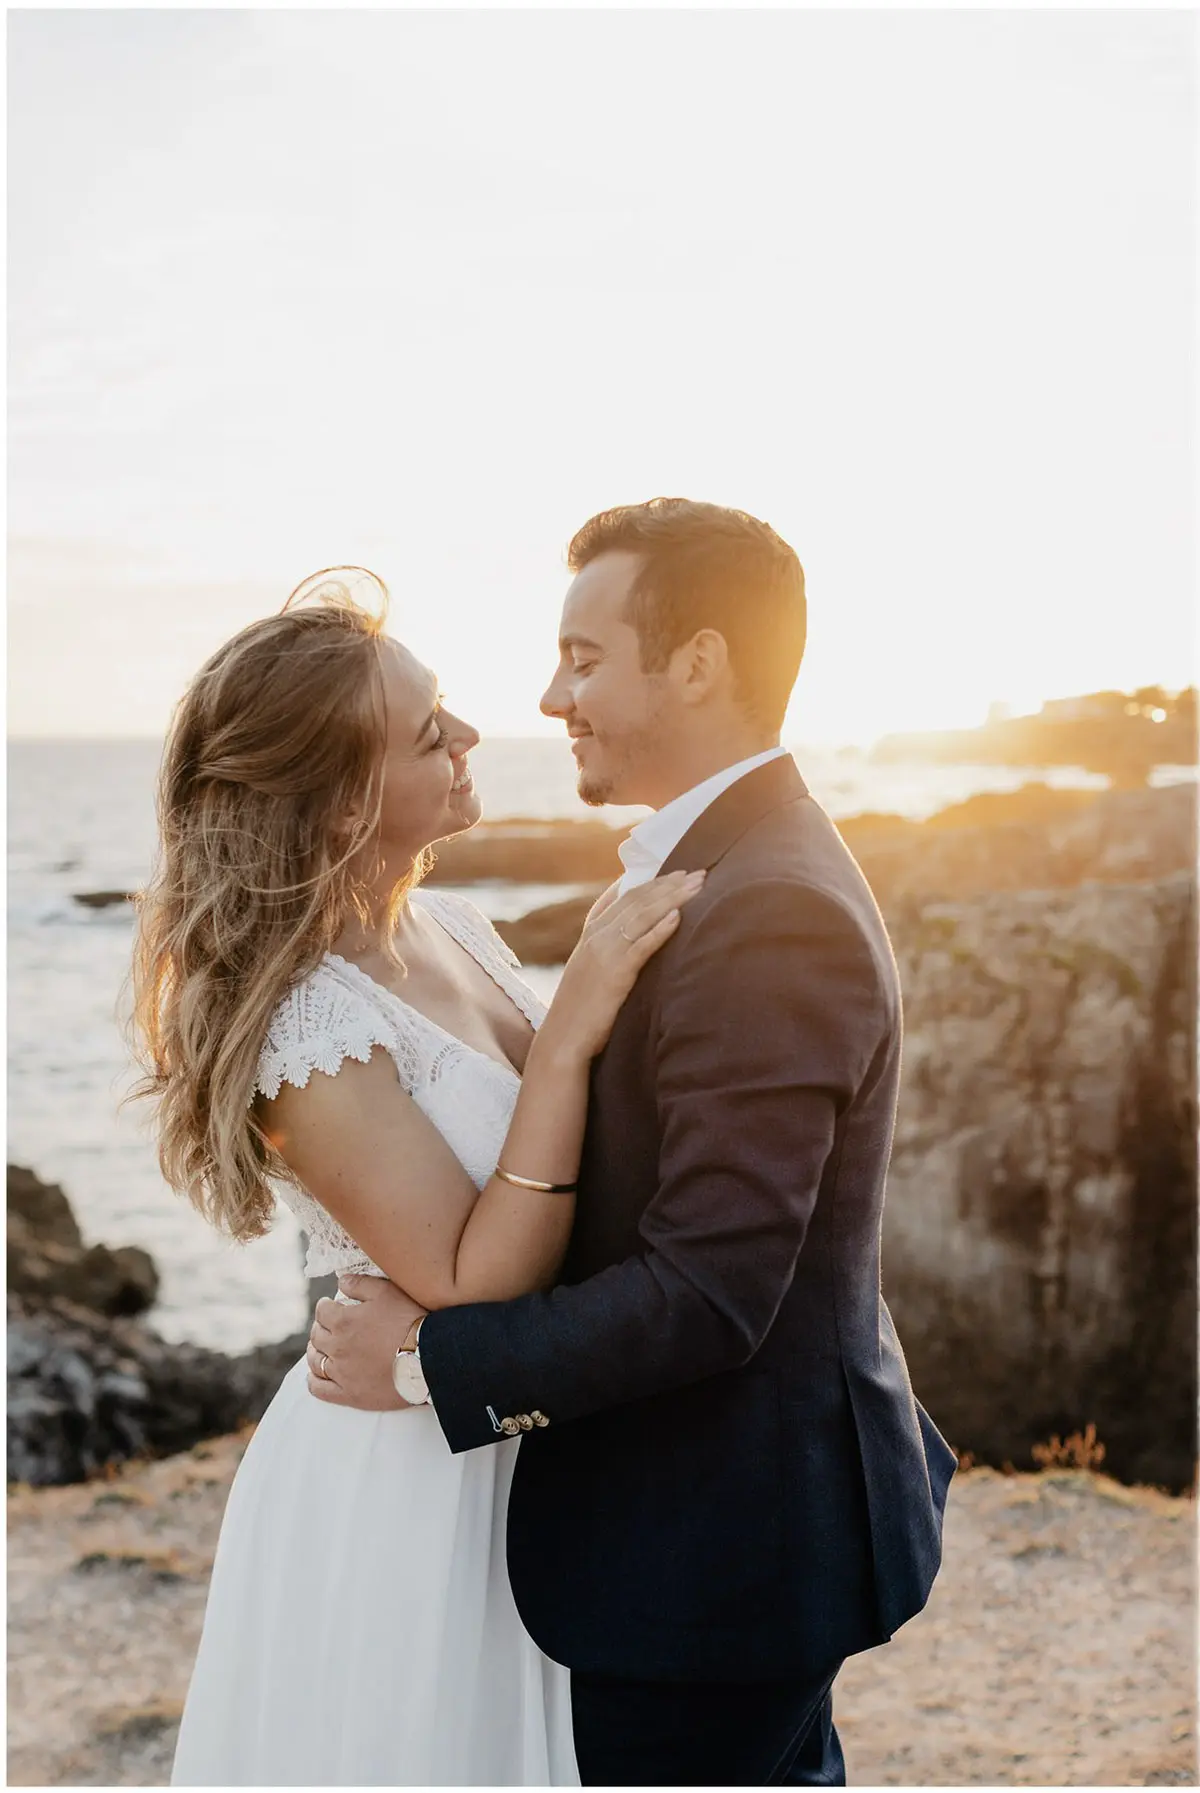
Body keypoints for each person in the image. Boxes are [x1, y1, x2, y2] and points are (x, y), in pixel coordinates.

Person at [309, 499, 958, 1788]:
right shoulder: (710, 868)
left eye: (586, 657)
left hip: (716, 1551)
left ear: (701, 663)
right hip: (703, 1531)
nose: (552, 696)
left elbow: (711, 1291)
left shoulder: (769, 909)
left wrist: (428, 1361)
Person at [129, 567, 704, 1786]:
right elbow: (470, 1270)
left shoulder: (449, 927)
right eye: (427, 730)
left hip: (502, 1423)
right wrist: (584, 1007)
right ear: (340, 805)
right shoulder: (298, 1023)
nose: (472, 736)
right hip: (408, 1482)